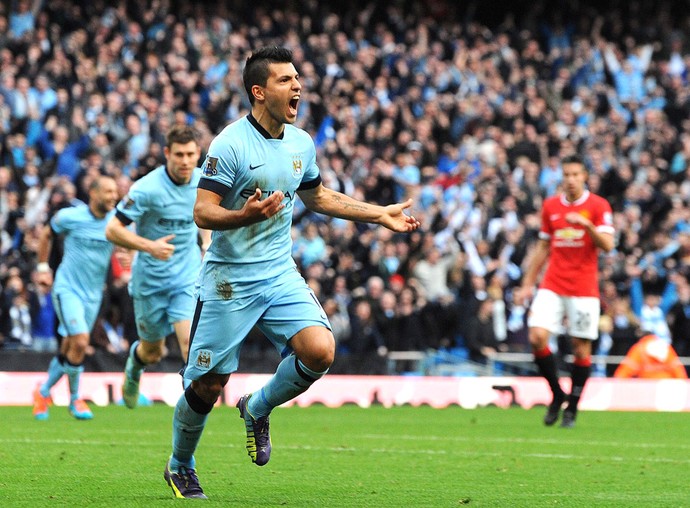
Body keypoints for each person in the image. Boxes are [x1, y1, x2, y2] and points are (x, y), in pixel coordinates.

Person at [163, 46, 420, 500]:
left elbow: (318, 197)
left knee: (320, 350)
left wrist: (379, 214)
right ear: (259, 92)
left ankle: (257, 408)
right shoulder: (231, 144)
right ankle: (180, 465)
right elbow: (203, 212)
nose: (297, 85)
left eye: (297, 77)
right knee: (207, 384)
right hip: (229, 278)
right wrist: (246, 216)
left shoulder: (301, 142)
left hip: (279, 272)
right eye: (285, 80)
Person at [105, 125, 209, 408]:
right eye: (179, 155)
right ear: (167, 154)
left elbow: (206, 217)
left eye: (190, 154)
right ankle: (134, 367)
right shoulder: (147, 189)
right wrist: (149, 246)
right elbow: (112, 229)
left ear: (198, 153)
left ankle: (190, 412)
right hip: (149, 280)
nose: (185, 161)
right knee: (153, 351)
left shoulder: (204, 183)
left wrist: (206, 242)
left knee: (189, 343)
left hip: (185, 277)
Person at [521, 154, 614, 428]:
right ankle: (556, 393)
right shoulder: (551, 206)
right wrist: (528, 282)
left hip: (584, 288)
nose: (571, 179)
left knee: (580, 348)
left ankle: (572, 407)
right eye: (567, 174)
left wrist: (587, 226)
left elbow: (608, 245)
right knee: (537, 336)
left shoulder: (598, 206)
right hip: (553, 283)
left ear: (585, 176)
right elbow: (543, 247)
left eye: (576, 174)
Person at [32, 175, 118, 420]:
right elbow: (47, 234)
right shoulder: (70, 217)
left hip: (93, 295)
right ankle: (75, 399)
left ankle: (43, 391)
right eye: (108, 191)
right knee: (80, 341)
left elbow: (128, 242)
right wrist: (42, 268)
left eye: (115, 192)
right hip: (67, 288)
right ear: (93, 193)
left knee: (71, 346)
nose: (113, 196)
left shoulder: (116, 222)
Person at [613, 332, 688, 379]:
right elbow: (678, 369)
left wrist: (617, 384)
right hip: (666, 385)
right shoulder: (666, 347)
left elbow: (625, 370)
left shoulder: (639, 348)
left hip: (647, 385)